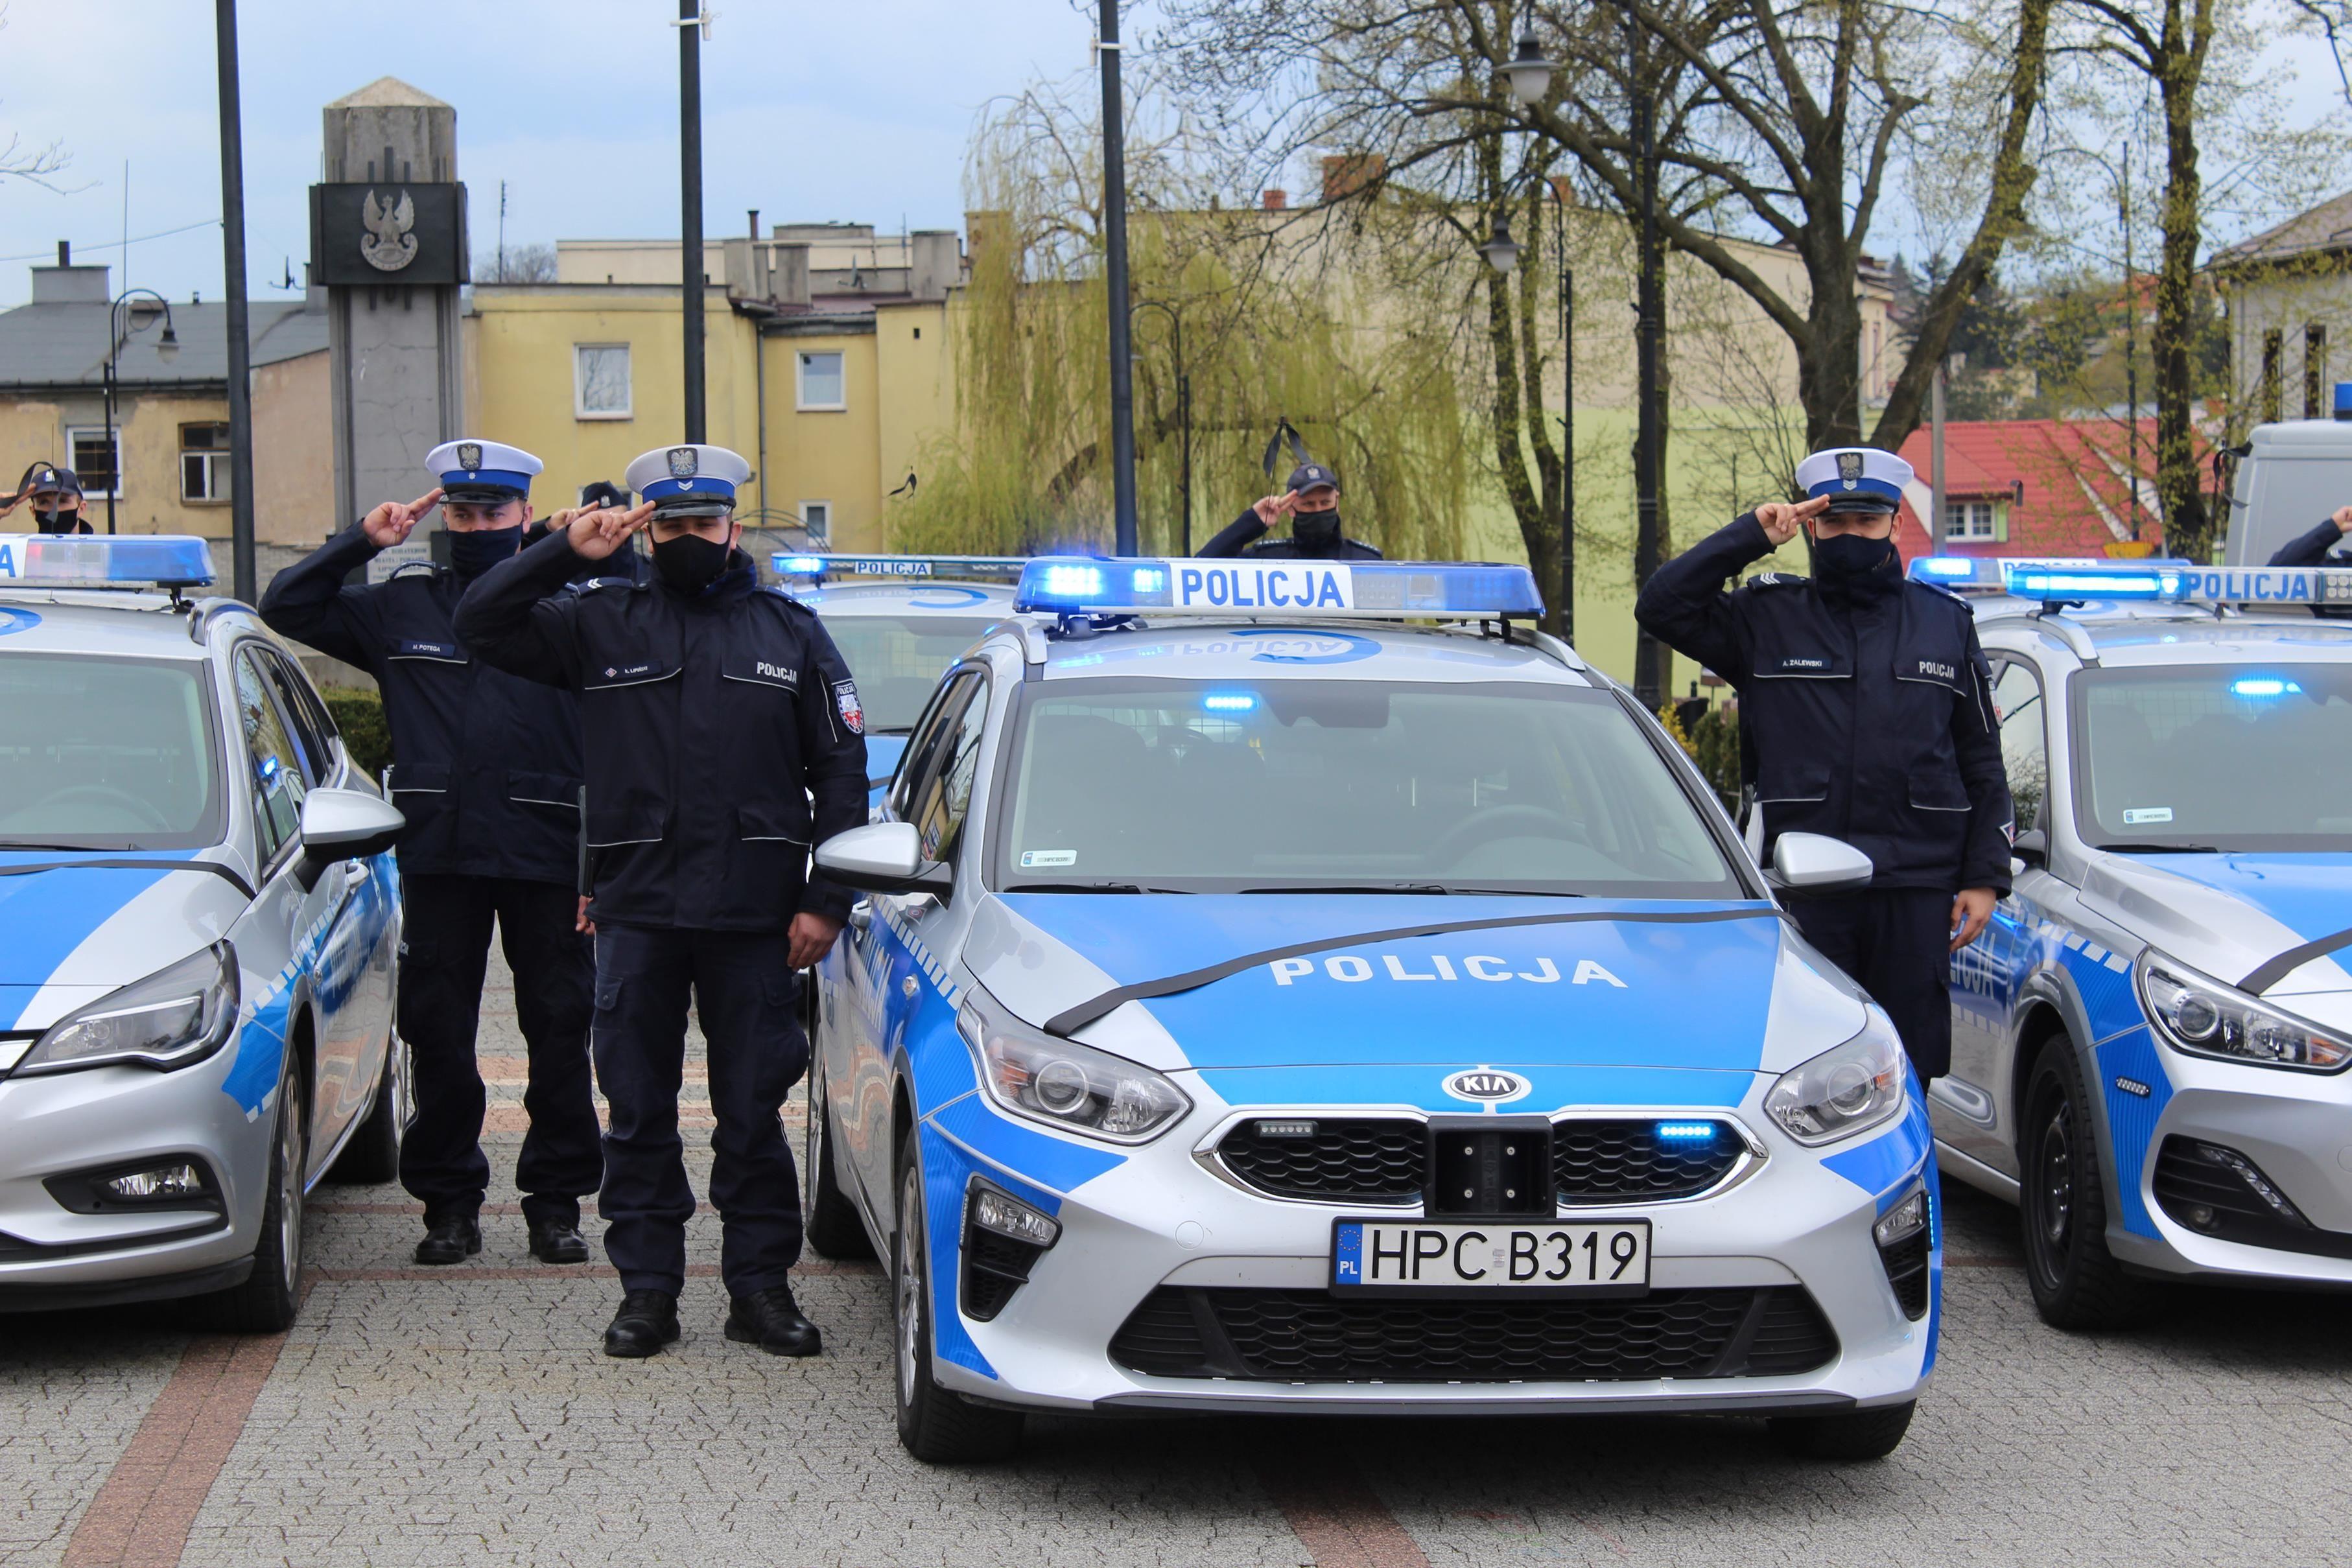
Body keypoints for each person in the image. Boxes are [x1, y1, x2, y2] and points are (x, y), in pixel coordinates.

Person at [453, 443, 867, 1361]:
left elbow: (841, 773)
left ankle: (759, 1288)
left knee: (754, 1113)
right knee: (637, 1112)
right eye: (670, 523)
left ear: (731, 527)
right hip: (637, 910)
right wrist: (569, 548)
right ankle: (649, 1290)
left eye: (703, 523)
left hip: (758, 919)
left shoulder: (789, 631)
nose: (689, 538)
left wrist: (825, 901)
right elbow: (480, 621)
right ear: (647, 528)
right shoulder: (601, 623)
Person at [257, 439, 603, 1268]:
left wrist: (562, 549)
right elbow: (287, 606)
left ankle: (554, 1202)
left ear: (527, 515)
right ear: (443, 517)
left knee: (559, 1029)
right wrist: (361, 541)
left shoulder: (575, 607)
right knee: (437, 1031)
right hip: (441, 853)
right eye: (461, 512)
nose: (475, 525)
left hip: (545, 850)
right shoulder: (402, 606)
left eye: (493, 511)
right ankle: (450, 1200)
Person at [1635, 446, 2013, 1082]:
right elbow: (1662, 605)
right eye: (1834, 523)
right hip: (1801, 887)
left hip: (1913, 887)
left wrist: (1984, 876)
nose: (1850, 537)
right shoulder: (1766, 618)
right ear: (1811, 525)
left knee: (1905, 1060)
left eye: (1866, 523)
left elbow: (1980, 755)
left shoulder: (1943, 623)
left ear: (1895, 523)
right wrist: (1752, 535)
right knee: (1800, 1059)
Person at [1197, 462, 1382, 559]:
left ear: (1337, 502)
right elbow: (1201, 567)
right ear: (1292, 510)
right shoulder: (1268, 560)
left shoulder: (1365, 561)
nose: (1318, 510)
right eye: (1309, 504)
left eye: (1325, 503)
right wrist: (1253, 521)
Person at [1, 465, 95, 533]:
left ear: (81, 508)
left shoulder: (101, 555)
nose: (54, 510)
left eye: (62, 501)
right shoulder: (25, 555)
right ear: (33, 512)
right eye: (44, 502)